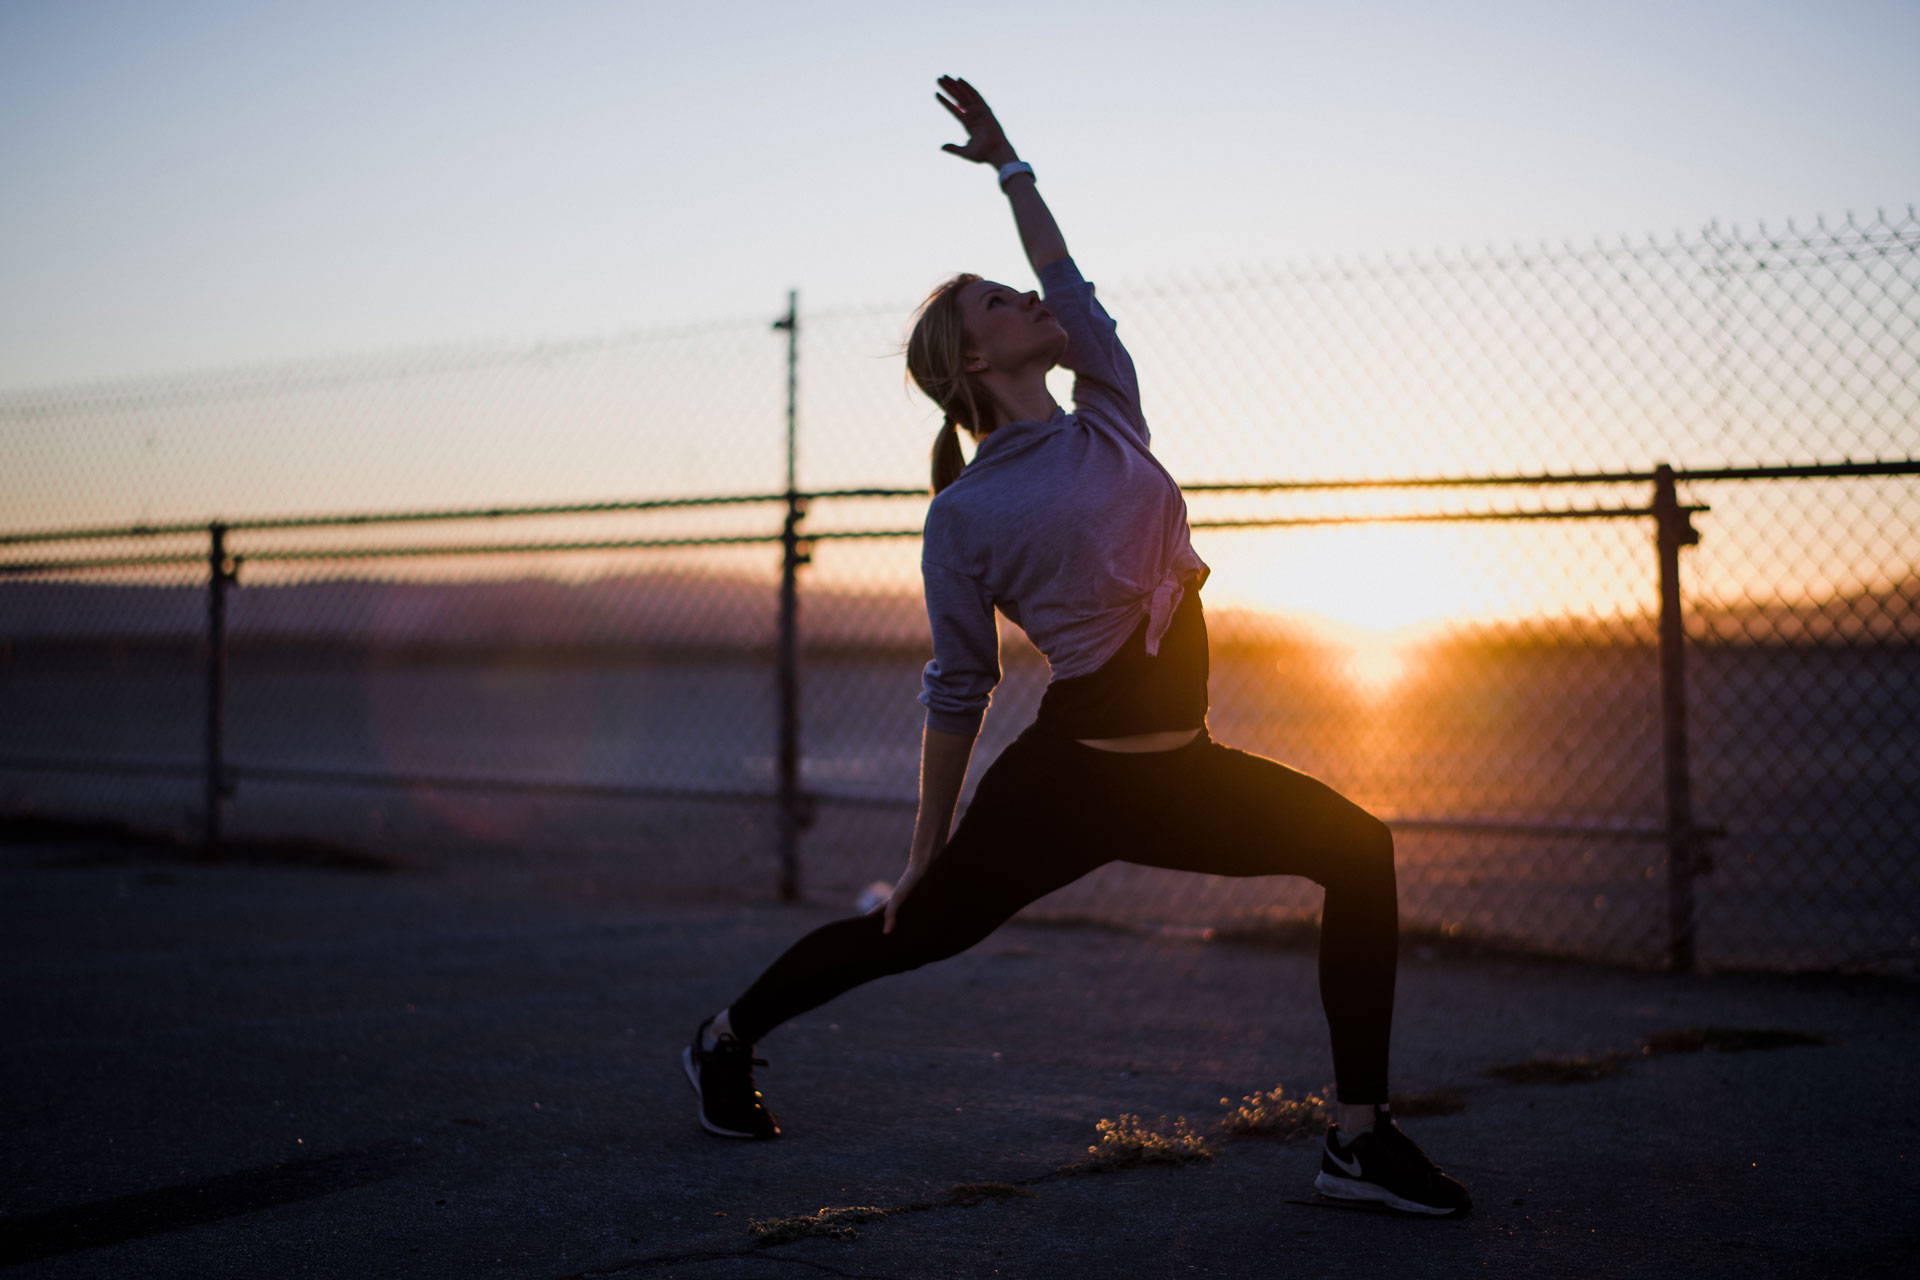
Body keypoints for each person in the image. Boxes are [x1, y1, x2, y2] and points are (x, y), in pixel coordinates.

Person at [683, 75, 1470, 1218]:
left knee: (1359, 849)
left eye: (1017, 291)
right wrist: (925, 847)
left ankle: (1358, 1139)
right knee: (909, 935)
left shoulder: (1107, 403)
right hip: (1067, 785)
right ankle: (724, 1035)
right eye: (999, 303)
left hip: (1182, 772)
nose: (1029, 301)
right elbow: (959, 686)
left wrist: (1012, 166)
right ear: (973, 363)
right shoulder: (965, 515)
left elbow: (1065, 275)